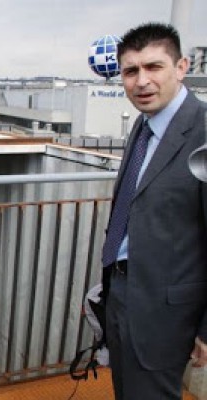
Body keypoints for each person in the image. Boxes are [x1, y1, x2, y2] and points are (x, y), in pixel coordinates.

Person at [101, 22, 207, 399]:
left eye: (154, 67)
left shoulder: (202, 131)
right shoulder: (144, 126)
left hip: (167, 313)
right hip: (121, 291)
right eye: (131, 71)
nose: (142, 81)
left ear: (181, 67)